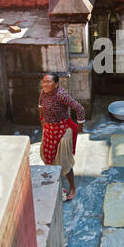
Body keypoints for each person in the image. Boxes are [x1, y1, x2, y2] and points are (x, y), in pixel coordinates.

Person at [38, 73, 85, 201]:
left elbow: (80, 109)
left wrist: (79, 128)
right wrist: (42, 120)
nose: (45, 84)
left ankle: (72, 187)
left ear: (57, 84)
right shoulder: (43, 92)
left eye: (49, 82)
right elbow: (40, 106)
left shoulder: (61, 95)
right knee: (47, 155)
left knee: (64, 162)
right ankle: (55, 181)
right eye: (44, 82)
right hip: (49, 130)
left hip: (62, 130)